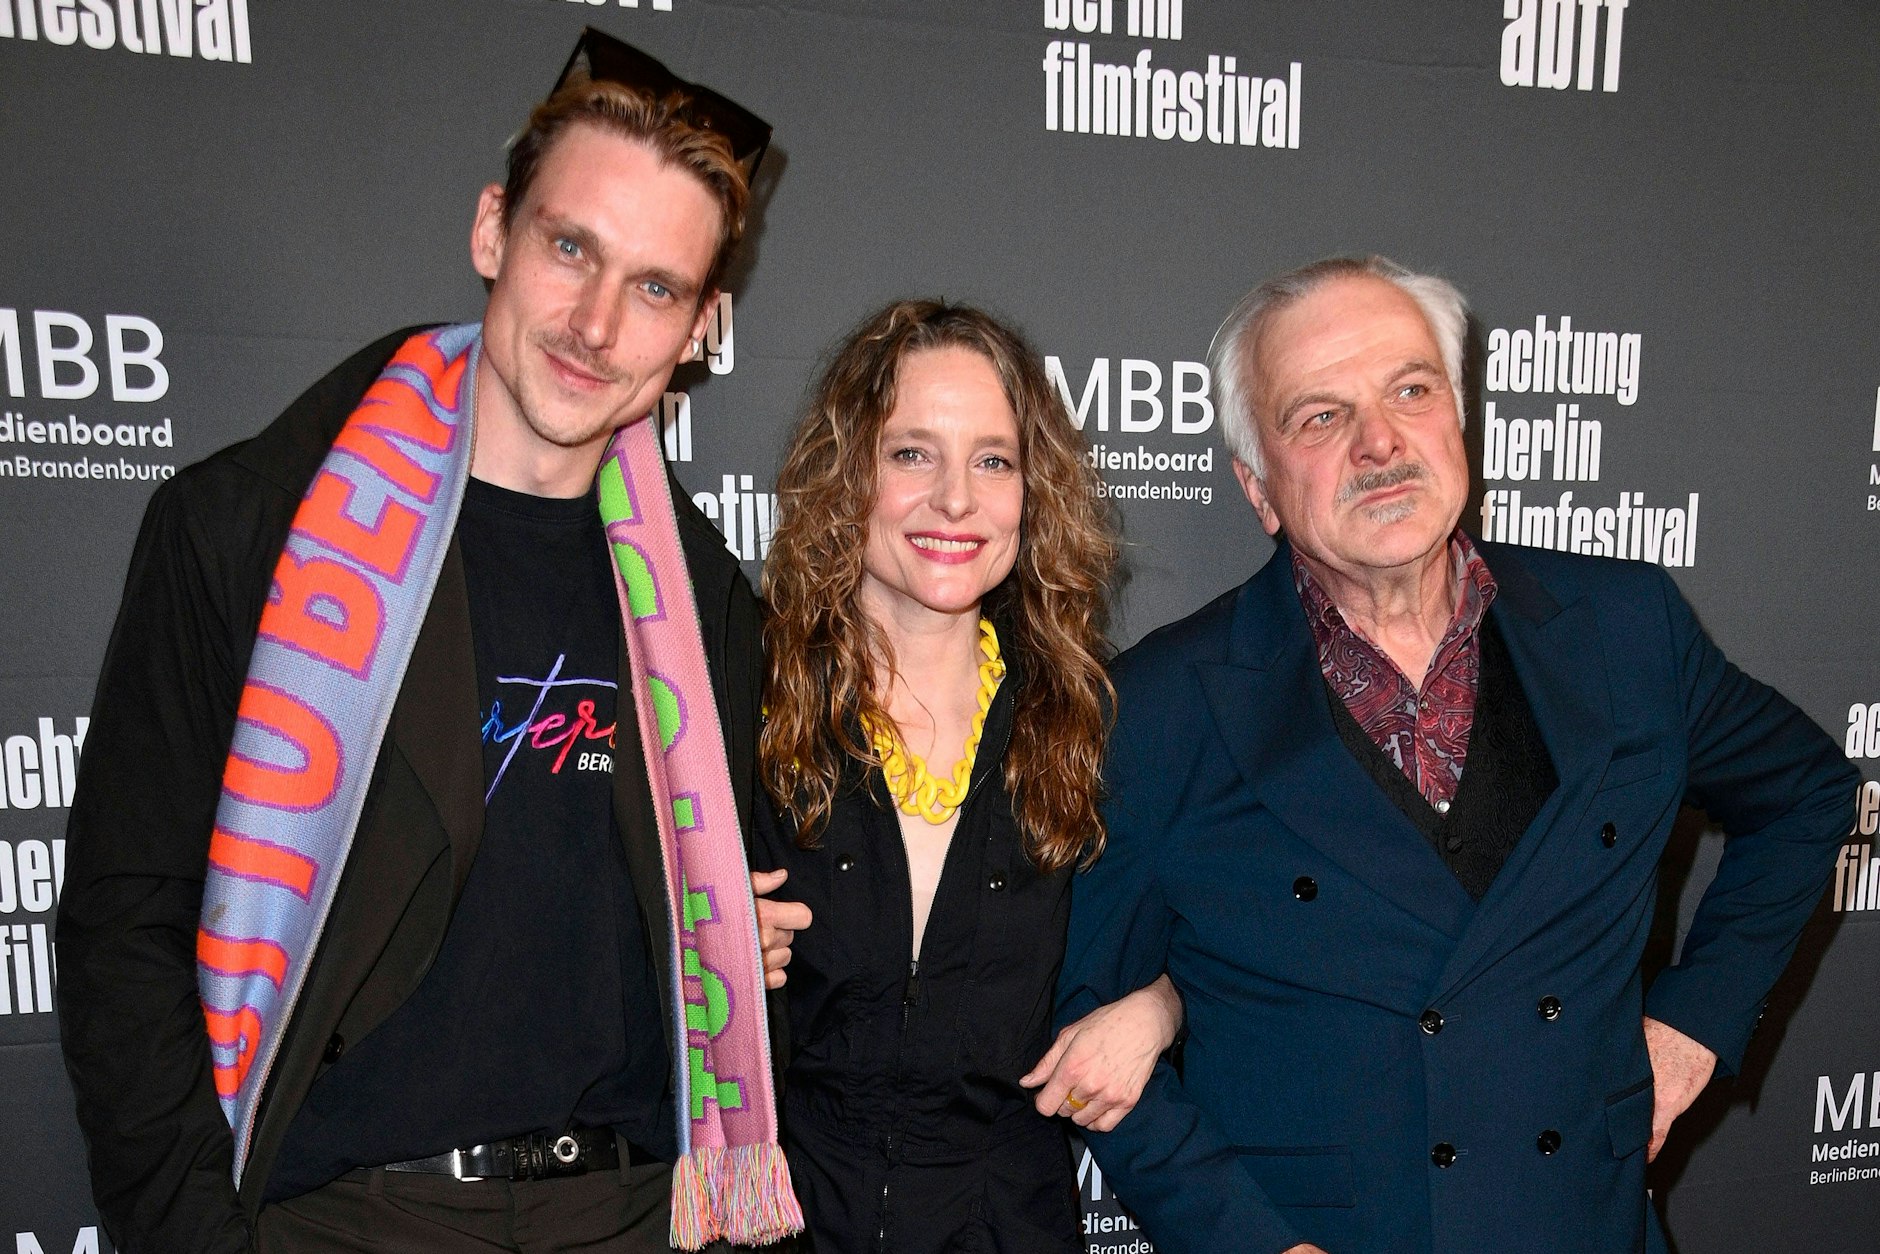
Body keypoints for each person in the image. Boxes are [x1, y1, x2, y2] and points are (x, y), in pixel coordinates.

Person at [57, 29, 804, 1253]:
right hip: (342, 1217)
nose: (597, 323)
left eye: (655, 288)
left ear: (700, 327)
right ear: (490, 231)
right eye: (570, 248)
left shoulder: (707, 606)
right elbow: (123, 925)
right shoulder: (247, 530)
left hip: (629, 1212)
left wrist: (725, 925)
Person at [1055, 256, 1858, 1254]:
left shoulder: (1623, 628)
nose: (1378, 442)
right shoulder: (1164, 703)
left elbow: (1804, 792)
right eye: (1318, 416)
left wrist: (1694, 1023)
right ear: (1256, 488)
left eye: (1409, 389)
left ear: (1457, 418)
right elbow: (1083, 1034)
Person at [752, 300, 1181, 1253]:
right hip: (783, 1220)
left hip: (1007, 1225)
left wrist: (1161, 1007)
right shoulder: (745, 704)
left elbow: (1230, 937)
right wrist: (704, 943)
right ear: (846, 474)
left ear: (1034, 492)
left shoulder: (1095, 721)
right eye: (911, 454)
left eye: (994, 460)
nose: (956, 500)